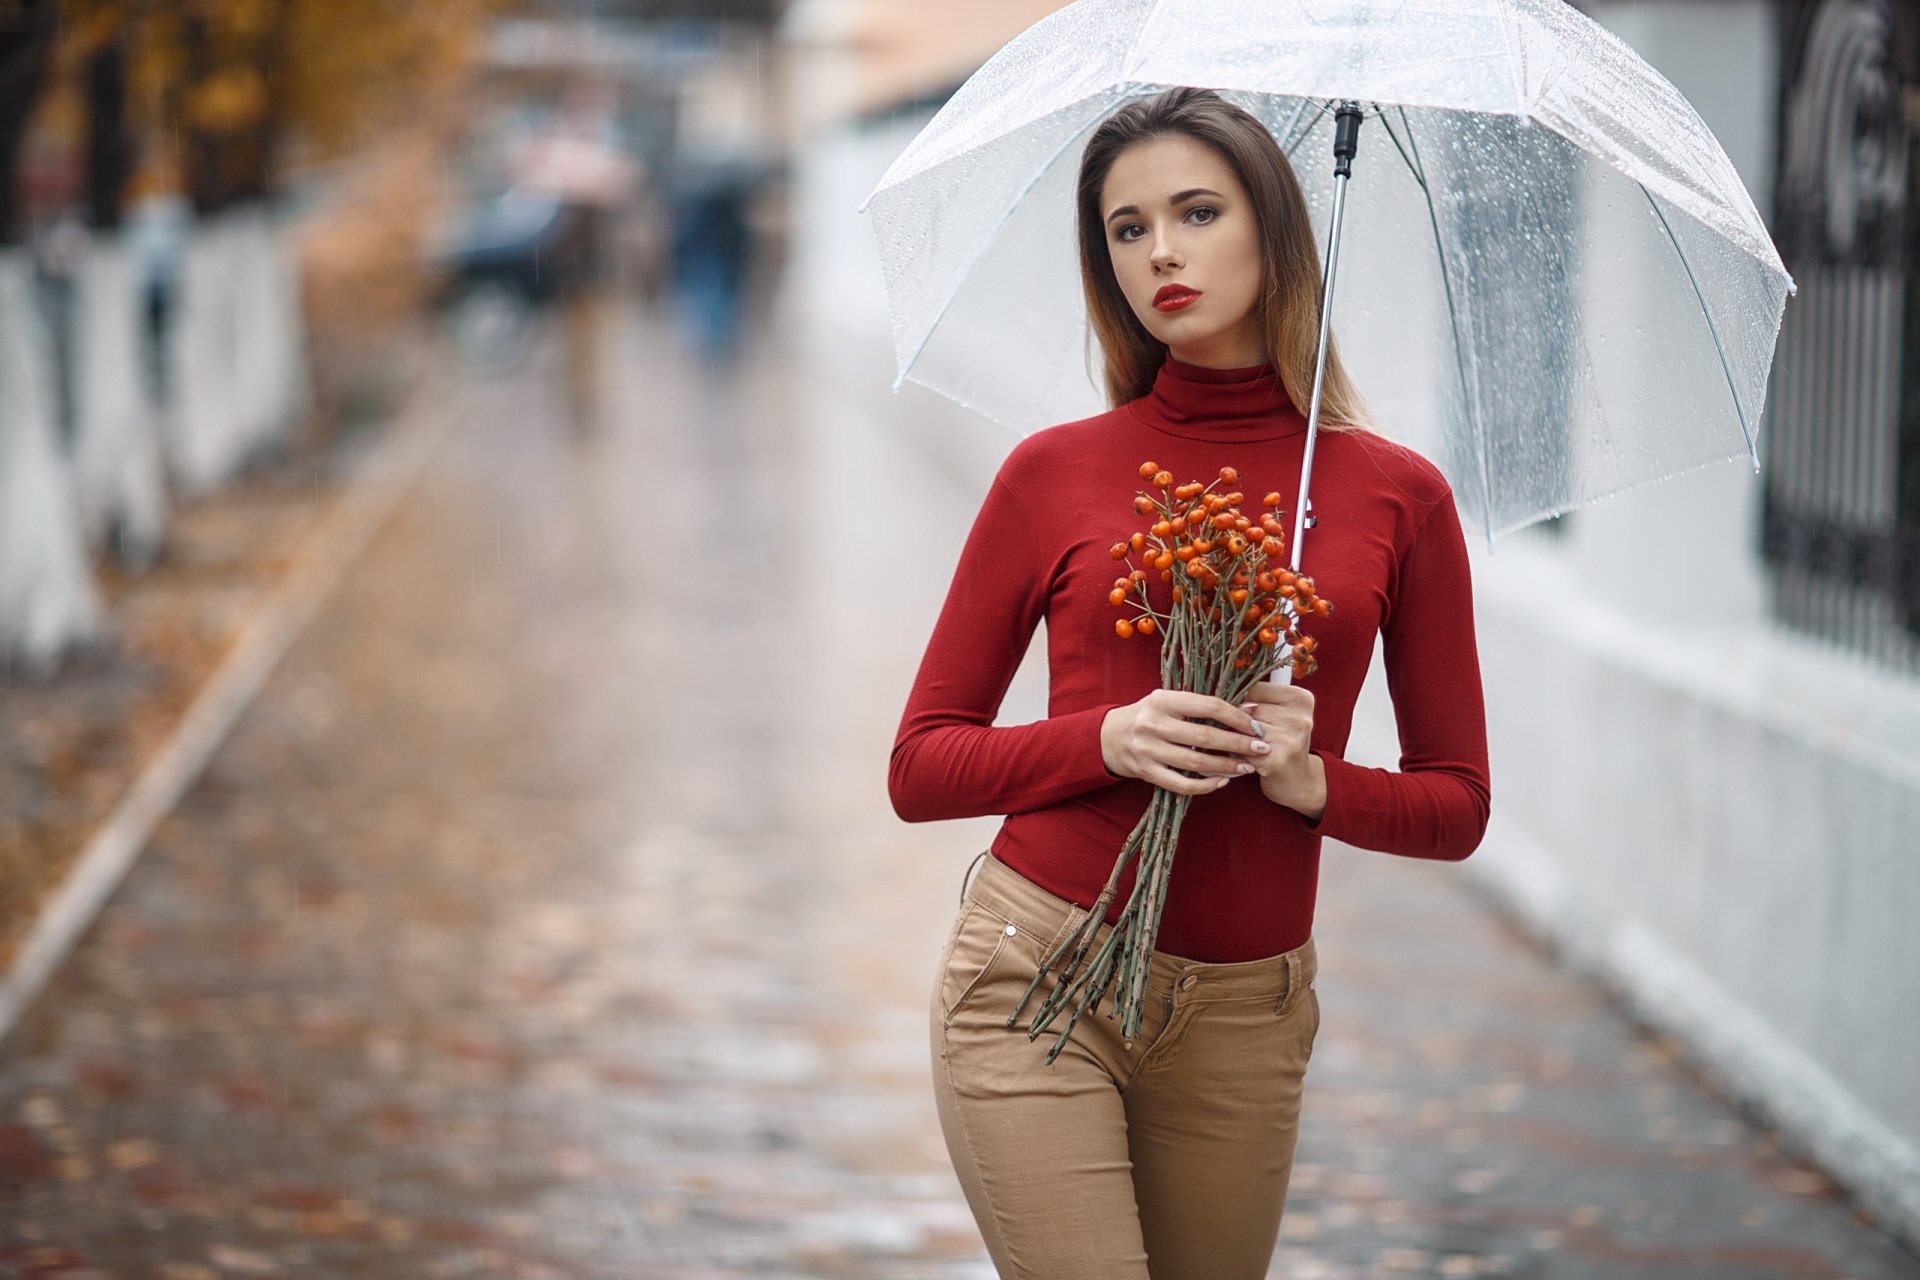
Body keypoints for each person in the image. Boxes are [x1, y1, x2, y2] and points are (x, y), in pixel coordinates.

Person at [888, 87, 1492, 1280]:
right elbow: (920, 765)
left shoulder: (1394, 494)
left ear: (1275, 229)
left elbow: (1458, 805)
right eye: (1125, 227)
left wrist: (1316, 780)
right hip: (1037, 972)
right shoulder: (1051, 473)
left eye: (1196, 211)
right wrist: (1105, 738)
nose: (1158, 250)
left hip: (1246, 1016)